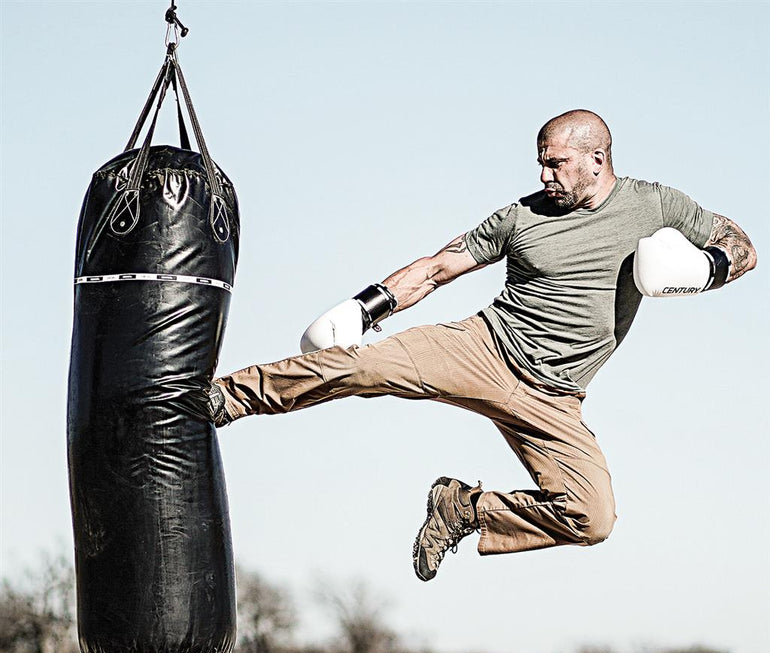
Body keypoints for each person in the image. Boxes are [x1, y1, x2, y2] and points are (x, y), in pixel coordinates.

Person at [207, 110, 757, 582]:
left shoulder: (655, 205)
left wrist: (710, 268)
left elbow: (741, 244)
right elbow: (438, 268)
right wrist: (366, 305)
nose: (544, 174)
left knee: (593, 518)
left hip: (556, 397)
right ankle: (225, 397)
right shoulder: (521, 216)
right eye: (540, 162)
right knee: (361, 368)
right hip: (484, 349)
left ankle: (464, 509)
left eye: (555, 162)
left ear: (597, 158)